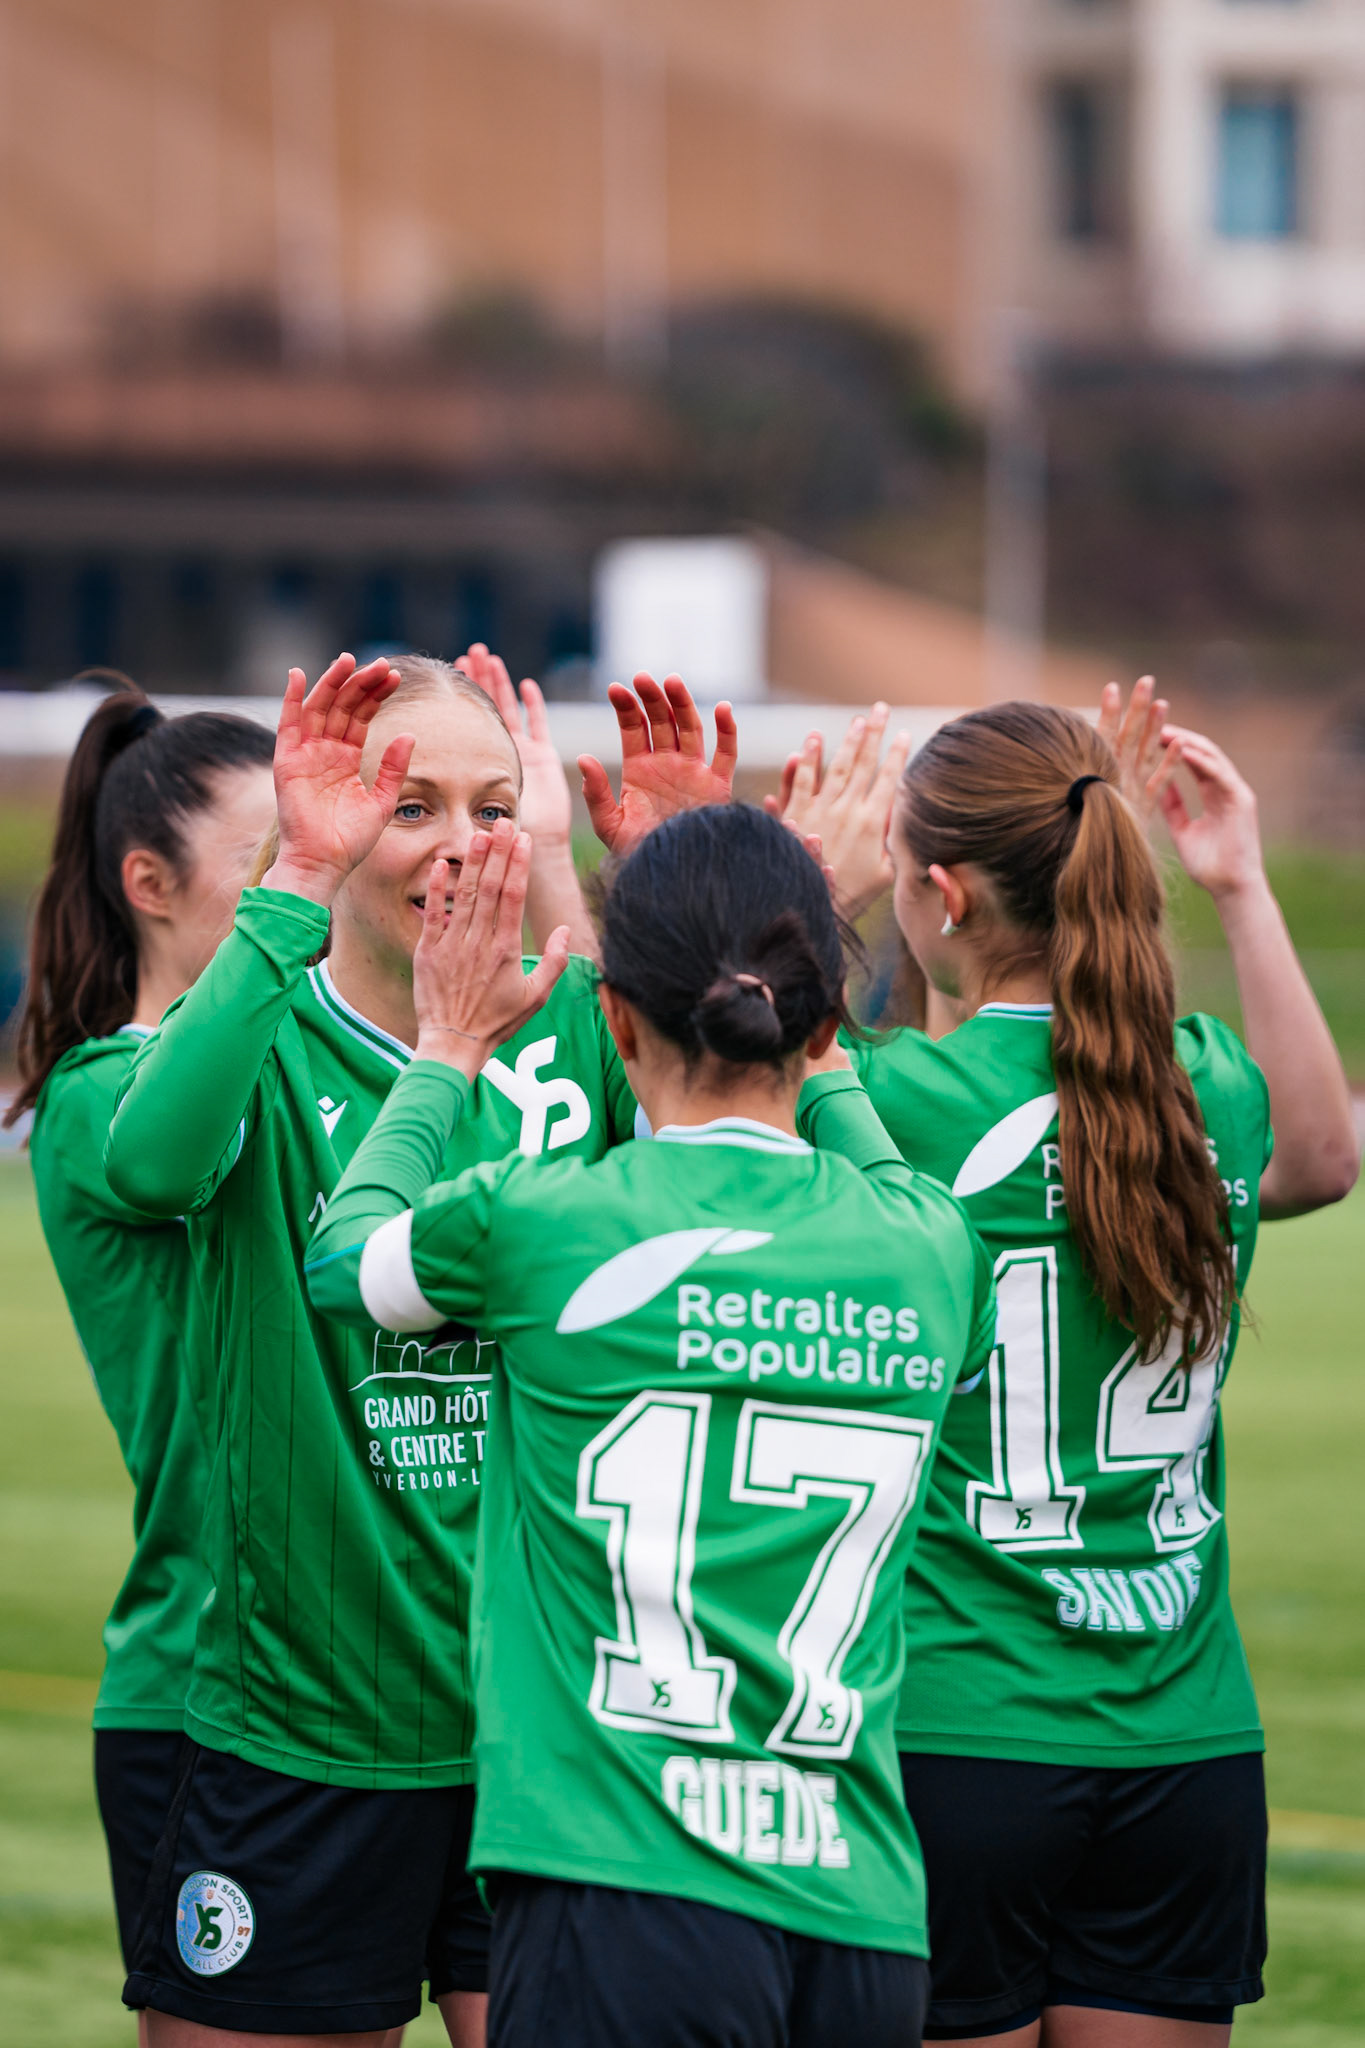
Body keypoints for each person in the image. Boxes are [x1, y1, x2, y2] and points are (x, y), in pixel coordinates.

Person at [305, 802, 999, 2048]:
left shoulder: (540, 1215)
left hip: (619, 1890)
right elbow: (891, 1188)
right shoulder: (931, 1244)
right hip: (862, 1911)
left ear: (612, 1015)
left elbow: (342, 1258)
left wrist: (448, 1046)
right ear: (824, 1022)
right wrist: (824, 1061)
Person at [100, 652, 639, 2047]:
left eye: (493, 805)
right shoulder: (262, 1037)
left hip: (536, 1742)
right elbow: (148, 1165)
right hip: (304, 1737)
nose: (464, 843)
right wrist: (295, 877)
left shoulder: (575, 1036)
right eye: (414, 809)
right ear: (343, 829)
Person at [813, 701, 1358, 2047]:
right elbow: (1324, 1158)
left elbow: (728, 1076)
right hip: (1186, 1751)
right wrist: (1236, 884)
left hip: (959, 1730)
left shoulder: (889, 1101)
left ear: (938, 891)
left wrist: (812, 888)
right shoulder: (1204, 1088)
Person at [5, 684, 275, 2036]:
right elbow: (182, 1155)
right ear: (149, 883)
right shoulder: (102, 1099)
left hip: (407, 1686)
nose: (314, 886)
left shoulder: (336, 1072)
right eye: (278, 864)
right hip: (204, 1686)